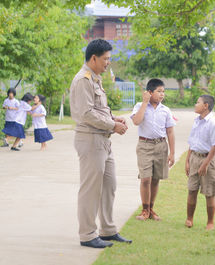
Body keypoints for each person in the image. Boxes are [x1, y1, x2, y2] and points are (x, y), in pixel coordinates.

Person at [70, 39, 131, 248]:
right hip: (90, 139)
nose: (108, 63)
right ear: (94, 58)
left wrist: (114, 120)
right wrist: (112, 125)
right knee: (91, 189)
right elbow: (86, 113)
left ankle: (107, 230)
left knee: (109, 186)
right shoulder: (83, 80)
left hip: (103, 140)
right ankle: (87, 235)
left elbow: (99, 109)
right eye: (106, 59)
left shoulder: (95, 78)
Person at [131, 78, 176, 221]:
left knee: (156, 179)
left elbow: (170, 132)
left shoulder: (165, 110)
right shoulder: (139, 105)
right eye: (159, 91)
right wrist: (145, 102)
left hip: (161, 146)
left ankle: (151, 209)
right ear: (149, 92)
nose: (162, 94)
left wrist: (172, 153)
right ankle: (144, 210)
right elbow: (136, 121)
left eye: (163, 92)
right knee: (145, 178)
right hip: (145, 145)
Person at [185, 95, 215, 230]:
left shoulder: (214, 123)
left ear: (206, 106)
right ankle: (189, 218)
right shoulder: (196, 121)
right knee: (192, 189)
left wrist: (205, 164)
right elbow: (192, 142)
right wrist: (187, 161)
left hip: (208, 159)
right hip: (195, 157)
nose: (195, 104)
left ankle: (210, 222)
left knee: (209, 192)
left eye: (198, 102)